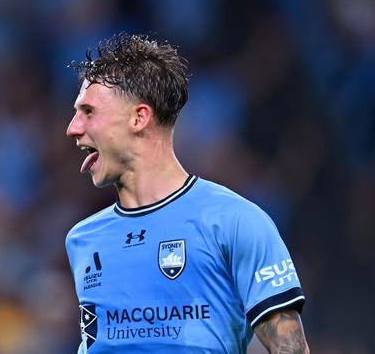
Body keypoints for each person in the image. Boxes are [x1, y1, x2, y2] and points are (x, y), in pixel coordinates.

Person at [64, 33, 309, 354]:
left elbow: (290, 349)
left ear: (139, 118)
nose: (73, 128)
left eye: (88, 112)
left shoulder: (234, 222)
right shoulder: (83, 240)